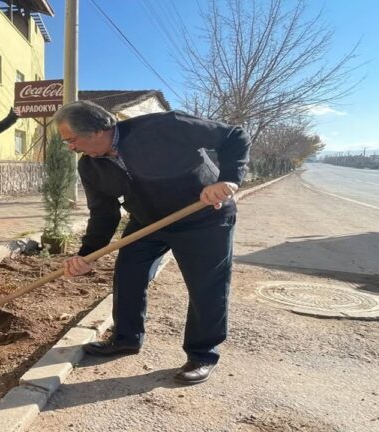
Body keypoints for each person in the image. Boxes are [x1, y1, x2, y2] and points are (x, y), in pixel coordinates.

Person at [56, 101, 251, 384]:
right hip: (147, 222)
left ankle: (202, 354)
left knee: (206, 286)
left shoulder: (165, 126)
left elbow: (234, 136)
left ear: (98, 130)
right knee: (128, 274)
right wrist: (88, 254)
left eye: (71, 140)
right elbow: (103, 213)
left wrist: (229, 180)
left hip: (204, 216)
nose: (70, 148)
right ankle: (126, 339)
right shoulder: (90, 166)